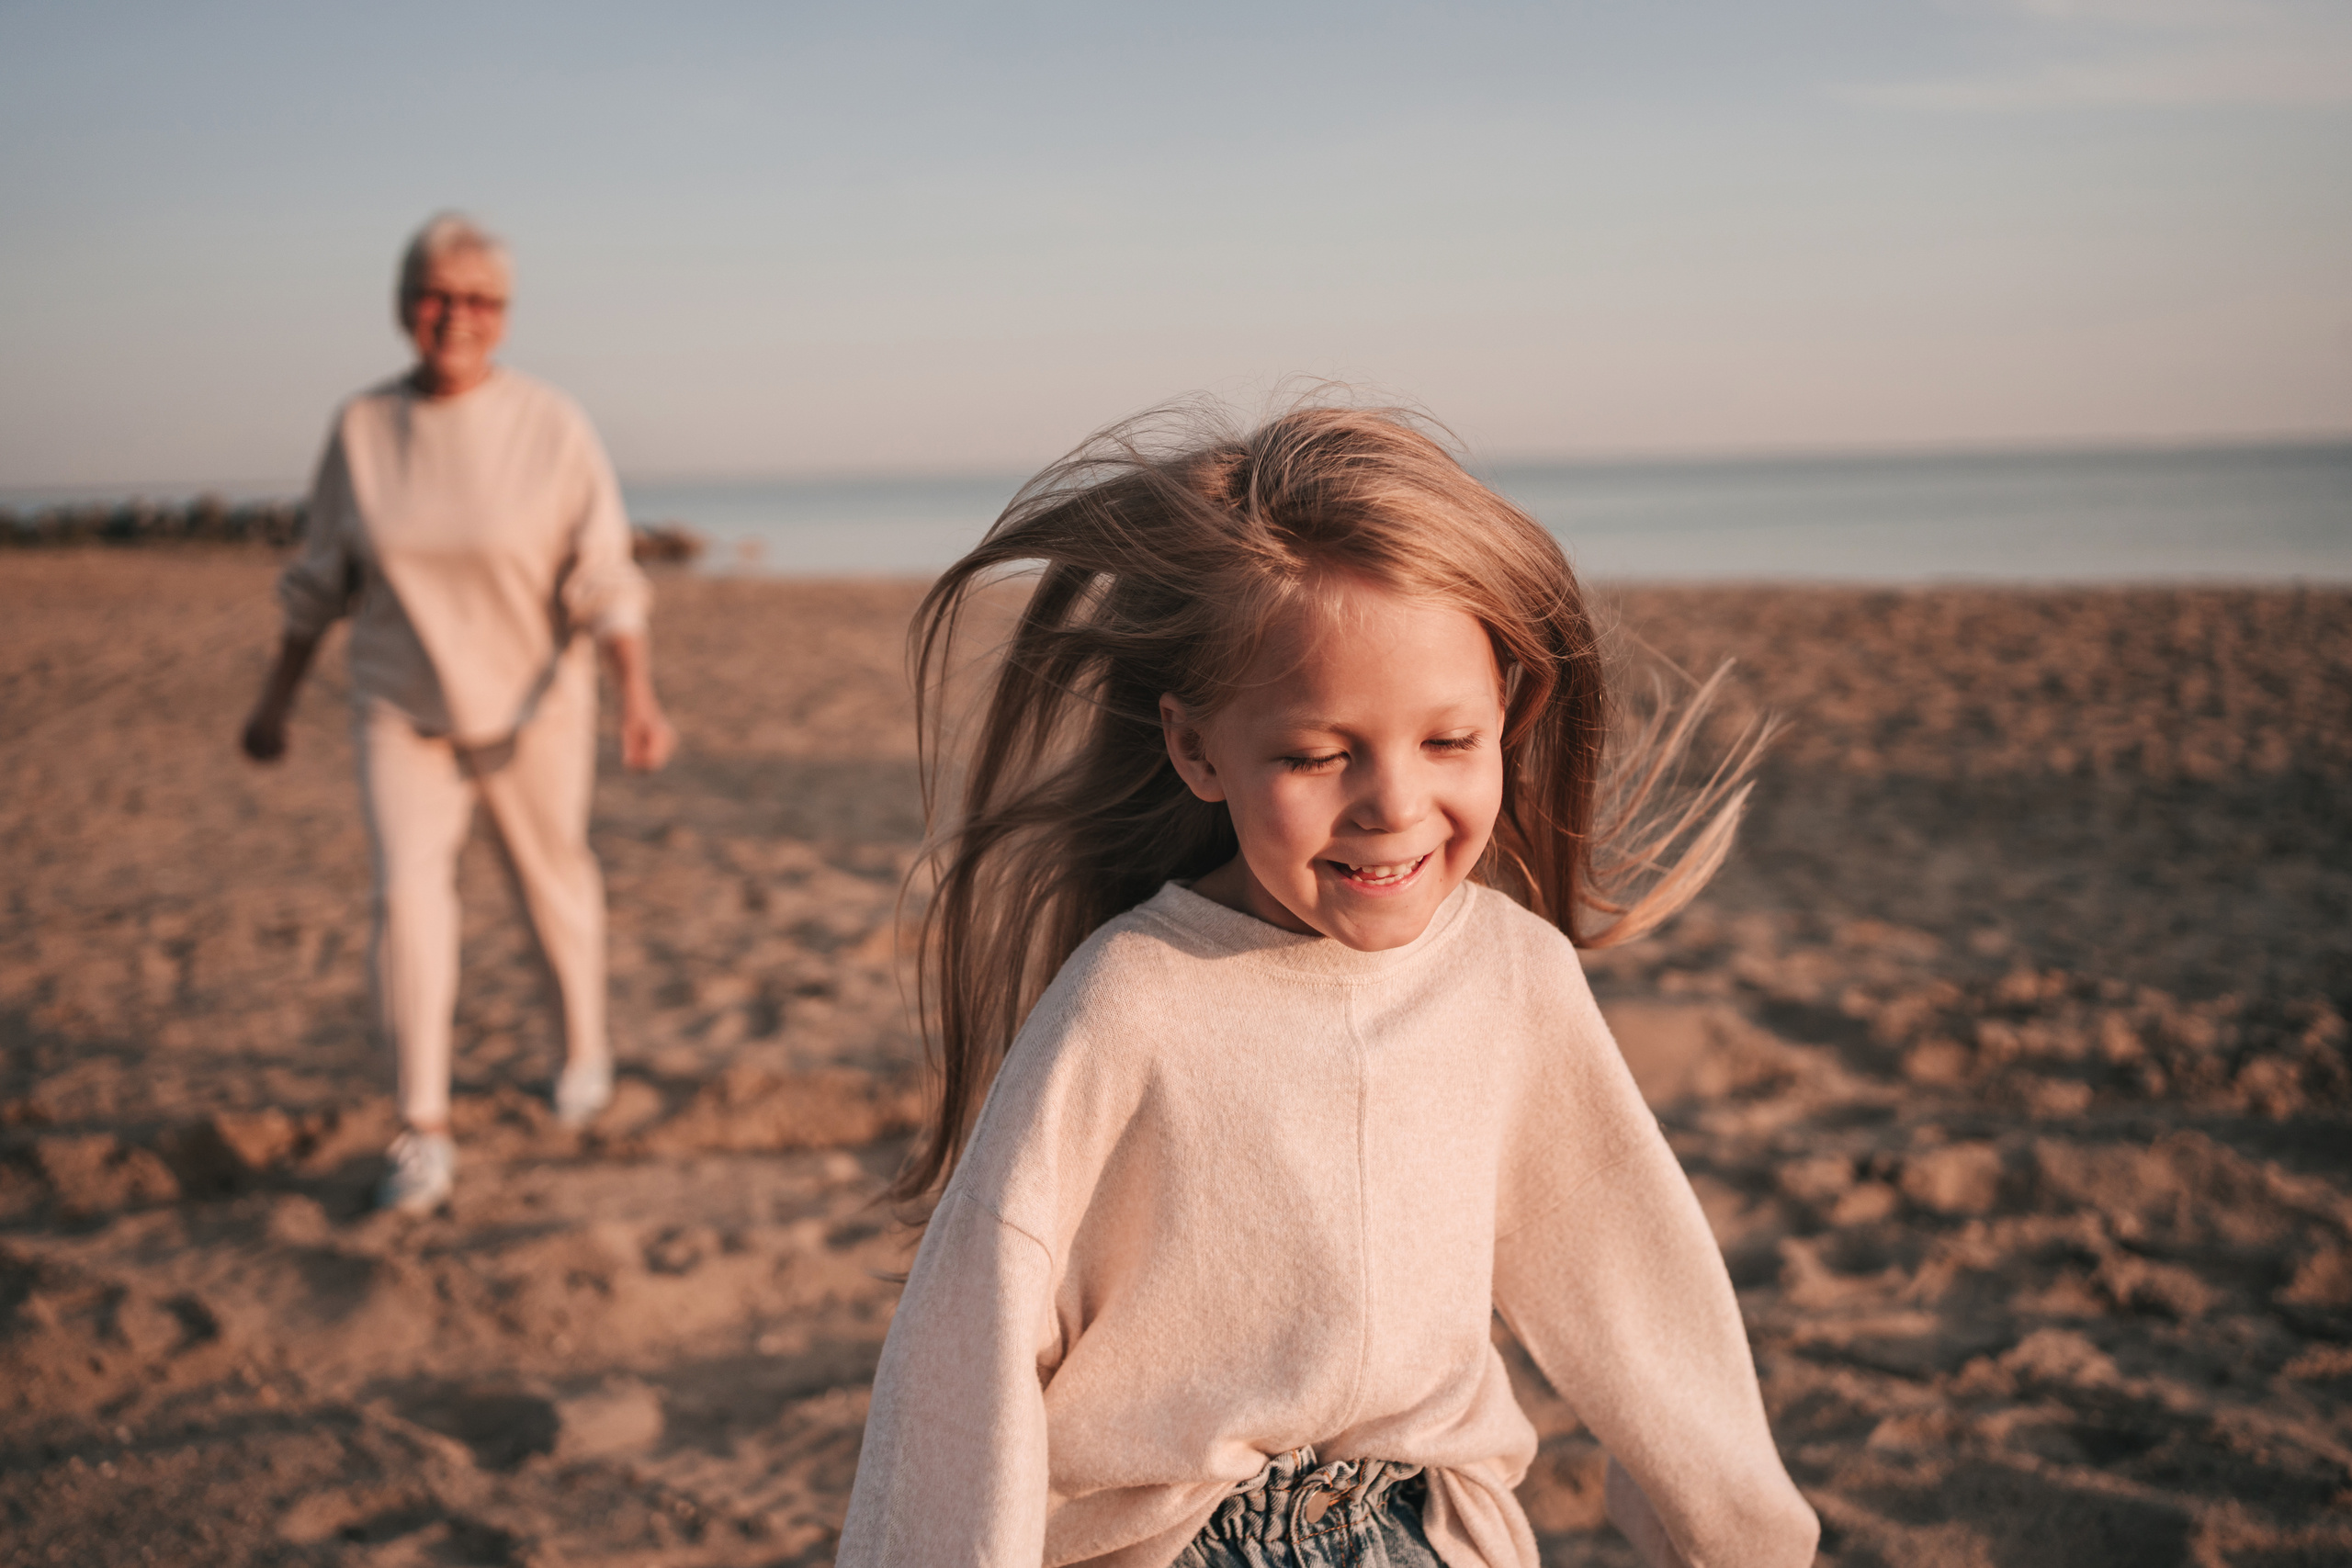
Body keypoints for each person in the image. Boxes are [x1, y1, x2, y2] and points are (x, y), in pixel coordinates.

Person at [835, 402, 1818, 1568]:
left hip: (1433, 1536)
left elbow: (1627, 1268)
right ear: (1197, 748)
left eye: (1447, 742)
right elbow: (970, 1340)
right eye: (1315, 754)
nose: (1393, 805)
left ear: (1504, 709)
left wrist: (1737, 1537)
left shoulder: (1511, 975)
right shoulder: (1131, 1000)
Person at [240, 212, 676, 1214]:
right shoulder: (361, 429)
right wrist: (273, 703)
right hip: (399, 705)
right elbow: (318, 583)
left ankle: (580, 1050)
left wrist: (636, 696)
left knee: (550, 886)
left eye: (479, 299)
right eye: (438, 295)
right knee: (406, 900)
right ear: (404, 306)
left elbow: (604, 575)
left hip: (533, 706)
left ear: (506, 317)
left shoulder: (553, 425)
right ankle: (421, 1127)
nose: (456, 316)